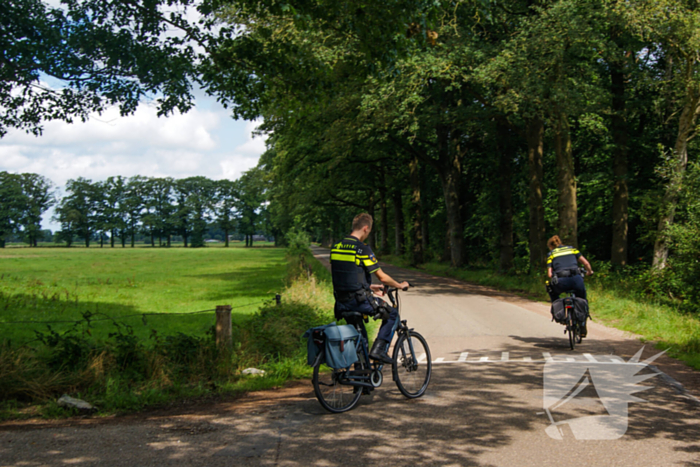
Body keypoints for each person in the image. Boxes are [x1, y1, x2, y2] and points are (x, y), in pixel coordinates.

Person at [331, 213, 409, 364]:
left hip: (341, 302)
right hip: (358, 301)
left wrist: (369, 287)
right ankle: (379, 350)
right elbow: (382, 277)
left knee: (361, 339)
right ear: (366, 228)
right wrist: (400, 285)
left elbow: (347, 273)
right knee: (392, 314)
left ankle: (362, 383)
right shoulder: (362, 249)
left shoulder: (337, 246)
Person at [546, 235, 594, 336]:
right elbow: (586, 263)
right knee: (582, 299)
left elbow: (550, 274)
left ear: (550, 246)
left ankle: (561, 315)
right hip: (576, 280)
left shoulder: (551, 254)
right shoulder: (572, 249)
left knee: (552, 291)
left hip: (561, 282)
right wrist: (589, 272)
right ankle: (582, 325)